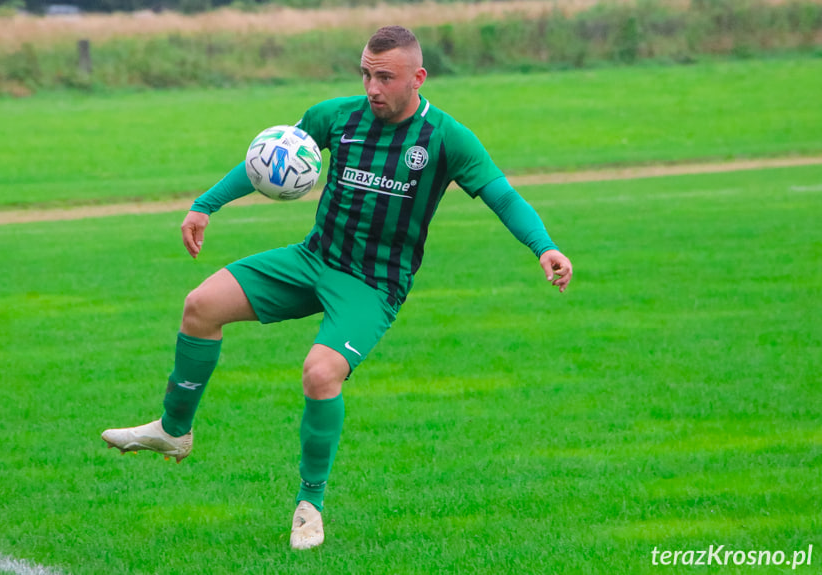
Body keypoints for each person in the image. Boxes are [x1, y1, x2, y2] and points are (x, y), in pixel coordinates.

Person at [102, 25, 573, 550]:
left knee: (320, 372)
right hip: (313, 258)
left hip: (371, 285)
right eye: (366, 74)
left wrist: (544, 246)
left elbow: (503, 197)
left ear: (418, 78)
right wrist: (205, 204)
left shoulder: (446, 138)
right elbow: (269, 160)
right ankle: (173, 428)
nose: (373, 87)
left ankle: (310, 505)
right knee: (201, 305)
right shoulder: (334, 116)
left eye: (386, 77)